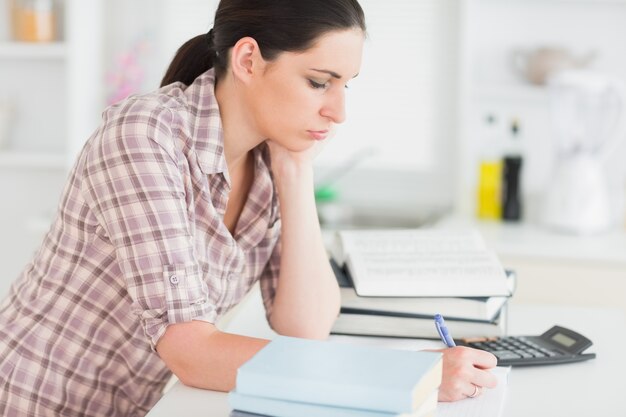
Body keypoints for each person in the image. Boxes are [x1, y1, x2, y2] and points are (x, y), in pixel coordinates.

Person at [0, 0, 496, 415]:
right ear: (248, 60)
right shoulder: (144, 137)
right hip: (37, 399)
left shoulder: (267, 159)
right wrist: (411, 374)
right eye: (320, 82)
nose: (339, 111)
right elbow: (192, 351)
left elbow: (306, 326)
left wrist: (295, 173)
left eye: (347, 84)